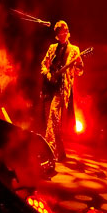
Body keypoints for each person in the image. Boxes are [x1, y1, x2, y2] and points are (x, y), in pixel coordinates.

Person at [40, 20, 84, 161]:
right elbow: (43, 64)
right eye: (61, 32)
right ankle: (57, 151)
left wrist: (78, 66)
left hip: (62, 88)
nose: (63, 34)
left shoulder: (74, 50)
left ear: (68, 32)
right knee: (51, 120)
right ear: (57, 34)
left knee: (53, 114)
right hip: (49, 87)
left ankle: (51, 150)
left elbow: (80, 71)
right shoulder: (52, 48)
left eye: (65, 31)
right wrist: (48, 75)